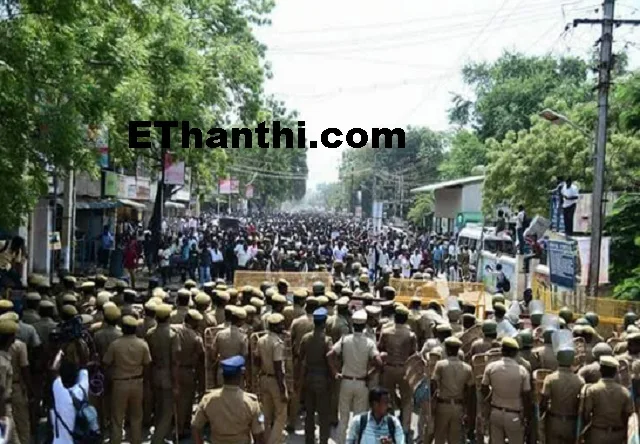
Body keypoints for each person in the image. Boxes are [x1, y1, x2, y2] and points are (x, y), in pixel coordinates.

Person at [328, 309, 383, 444]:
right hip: (361, 383)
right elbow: (379, 362)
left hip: (346, 381)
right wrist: (370, 374)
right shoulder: (369, 343)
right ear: (364, 326)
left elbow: (330, 355)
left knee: (344, 418)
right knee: (359, 418)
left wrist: (335, 372)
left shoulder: (345, 340)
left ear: (353, 325)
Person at [191, 356, 265, 444]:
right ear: (241, 375)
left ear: (223, 375)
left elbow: (195, 426)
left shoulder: (208, 399)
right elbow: (259, 435)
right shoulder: (251, 402)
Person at [103, 315, 152, 444]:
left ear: (123, 329)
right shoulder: (142, 344)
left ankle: (116, 441)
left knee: (117, 418)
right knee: (136, 417)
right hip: (137, 383)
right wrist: (145, 381)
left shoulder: (115, 345)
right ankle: (136, 441)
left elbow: (106, 363)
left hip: (119, 383)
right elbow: (147, 364)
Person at [481, 337, 531, 444]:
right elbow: (526, 396)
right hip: (514, 415)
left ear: (502, 351)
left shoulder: (491, 367)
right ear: (515, 353)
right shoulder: (522, 371)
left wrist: (491, 397)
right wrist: (526, 417)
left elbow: (483, 388)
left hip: (495, 413)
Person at [299, 308, 333, 444]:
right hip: (323, 379)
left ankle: (309, 439)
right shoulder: (327, 340)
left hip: (309, 378)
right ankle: (323, 440)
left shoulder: (306, 338)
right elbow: (330, 361)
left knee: (309, 412)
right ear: (324, 322)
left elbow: (300, 358)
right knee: (324, 414)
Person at [50, 358, 89, 444]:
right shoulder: (82, 390)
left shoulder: (60, 393)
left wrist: (60, 353)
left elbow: (53, 370)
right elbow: (84, 365)